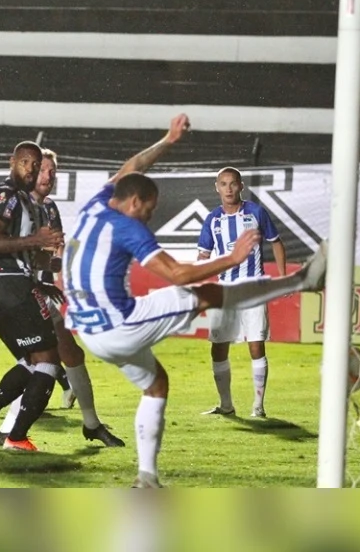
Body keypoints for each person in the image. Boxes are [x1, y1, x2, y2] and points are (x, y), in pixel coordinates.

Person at [62, 114, 328, 487]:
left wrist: (168, 141)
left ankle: (147, 479)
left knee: (156, 384)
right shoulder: (128, 227)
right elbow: (179, 274)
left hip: (89, 332)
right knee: (205, 293)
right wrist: (232, 259)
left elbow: (133, 166)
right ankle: (303, 280)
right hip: (118, 324)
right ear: (135, 201)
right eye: (150, 208)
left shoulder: (95, 205)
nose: (150, 216)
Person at [0, 148, 125, 447]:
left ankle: (89, 424)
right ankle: (3, 428)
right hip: (17, 291)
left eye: (52, 172)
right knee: (41, 362)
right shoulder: (16, 202)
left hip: (40, 291)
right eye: (43, 170)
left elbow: (55, 252)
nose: (48, 177)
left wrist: (61, 268)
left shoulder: (49, 209)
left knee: (60, 357)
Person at [0, 142, 65, 451]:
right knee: (48, 361)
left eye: (36, 165)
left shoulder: (24, 200)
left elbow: (22, 251)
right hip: (10, 285)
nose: (31, 169)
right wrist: (37, 239)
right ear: (12, 162)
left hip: (5, 287)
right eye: (26, 162)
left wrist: (46, 266)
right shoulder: (6, 195)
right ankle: (16, 436)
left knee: (30, 360)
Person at [197, 167, 286, 418]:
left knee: (256, 346)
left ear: (241, 186)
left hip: (253, 289)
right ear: (217, 187)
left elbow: (276, 242)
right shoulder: (212, 220)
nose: (228, 188)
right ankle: (226, 405)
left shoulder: (256, 212)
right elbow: (203, 254)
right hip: (225, 290)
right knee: (218, 348)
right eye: (223, 184)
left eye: (232, 183)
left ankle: (258, 406)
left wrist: (281, 275)